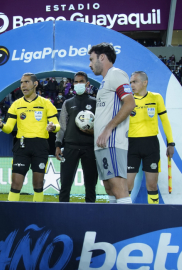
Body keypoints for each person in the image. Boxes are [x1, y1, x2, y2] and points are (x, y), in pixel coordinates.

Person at [0, 72, 60, 202]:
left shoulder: (46, 103)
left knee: (38, 185)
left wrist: (52, 127)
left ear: (35, 84)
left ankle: (37, 214)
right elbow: (9, 128)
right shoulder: (16, 104)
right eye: (21, 83)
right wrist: (1, 125)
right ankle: (11, 215)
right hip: (21, 146)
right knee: (16, 184)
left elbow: (57, 125)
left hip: (40, 146)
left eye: (26, 82)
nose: (23, 85)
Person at [89, 42, 136, 204]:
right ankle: (115, 226)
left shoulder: (116, 74)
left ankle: (129, 228)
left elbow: (130, 103)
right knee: (109, 188)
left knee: (118, 188)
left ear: (102, 57)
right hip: (103, 144)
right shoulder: (104, 81)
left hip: (113, 142)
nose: (89, 64)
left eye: (91, 59)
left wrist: (108, 128)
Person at [126, 71, 174, 204]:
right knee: (127, 186)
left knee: (152, 186)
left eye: (135, 82)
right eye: (130, 82)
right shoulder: (127, 99)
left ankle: (153, 216)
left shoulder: (156, 97)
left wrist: (171, 143)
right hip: (131, 145)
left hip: (151, 145)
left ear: (145, 83)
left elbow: (165, 121)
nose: (132, 85)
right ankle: (124, 216)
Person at [55, 71, 97, 203]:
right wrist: (57, 145)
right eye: (76, 82)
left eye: (81, 82)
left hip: (90, 148)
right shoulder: (67, 103)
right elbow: (62, 127)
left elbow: (101, 126)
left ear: (87, 84)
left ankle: (90, 215)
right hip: (70, 148)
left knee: (91, 186)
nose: (78, 84)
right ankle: (62, 215)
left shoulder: (95, 103)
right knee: (65, 186)